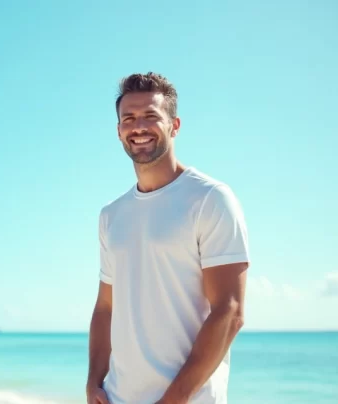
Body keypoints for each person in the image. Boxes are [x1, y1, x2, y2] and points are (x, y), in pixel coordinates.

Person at [86, 72, 250, 404]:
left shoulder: (210, 198)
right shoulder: (111, 215)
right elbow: (106, 308)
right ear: (119, 131)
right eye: (128, 118)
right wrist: (93, 383)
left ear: (175, 125)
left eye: (151, 116)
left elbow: (230, 311)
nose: (139, 126)